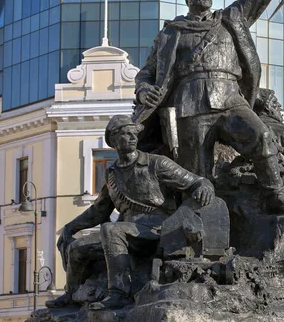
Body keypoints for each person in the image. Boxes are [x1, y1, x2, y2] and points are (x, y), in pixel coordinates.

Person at [133, 0, 284, 214]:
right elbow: (147, 74)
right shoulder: (171, 33)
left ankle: (275, 196)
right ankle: (198, 239)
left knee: (260, 136)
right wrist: (144, 90)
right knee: (198, 179)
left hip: (231, 100)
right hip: (190, 107)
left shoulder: (231, 18)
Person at [46, 115, 214, 310]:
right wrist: (69, 227)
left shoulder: (156, 164)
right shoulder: (111, 173)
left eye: (134, 133)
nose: (132, 137)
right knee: (77, 248)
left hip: (157, 230)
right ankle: (70, 295)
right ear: (114, 140)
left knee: (111, 229)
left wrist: (204, 186)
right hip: (126, 232)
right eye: (126, 134)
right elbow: (98, 211)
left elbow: (195, 181)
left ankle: (119, 293)